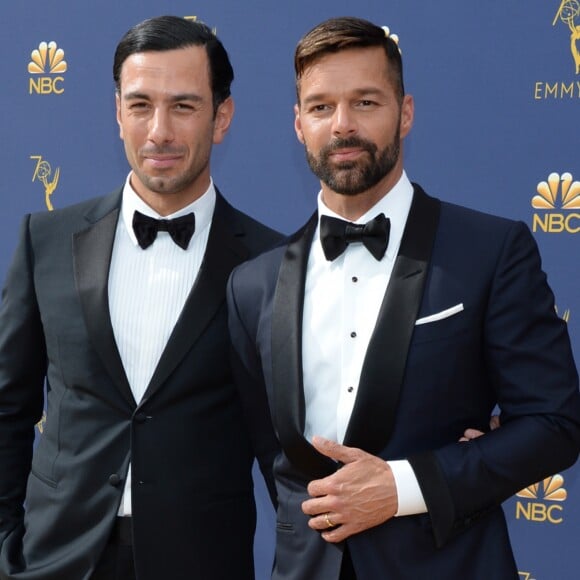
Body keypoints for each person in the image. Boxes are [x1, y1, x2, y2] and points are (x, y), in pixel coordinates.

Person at [226, 16, 580, 580]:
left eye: (366, 102)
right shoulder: (252, 285)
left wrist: (405, 487)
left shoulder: (489, 251)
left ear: (405, 113)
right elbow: (275, 462)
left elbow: (555, 423)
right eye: (320, 107)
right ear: (298, 124)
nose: (342, 125)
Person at [0, 15, 281, 580]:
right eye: (140, 105)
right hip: (55, 560)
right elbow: (8, 407)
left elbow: (293, 445)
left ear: (221, 117)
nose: (159, 132)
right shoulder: (46, 240)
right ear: (117, 113)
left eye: (183, 106)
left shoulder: (274, 265)